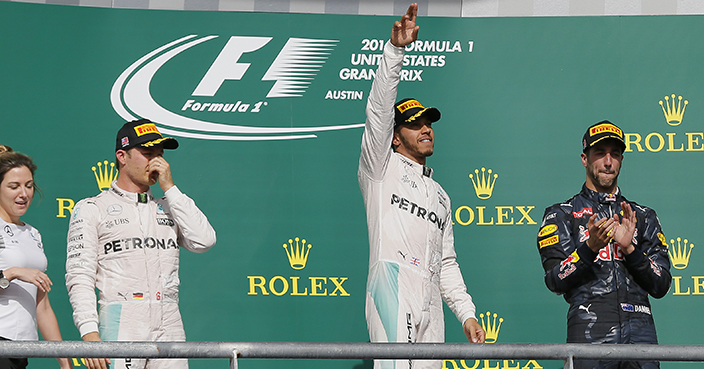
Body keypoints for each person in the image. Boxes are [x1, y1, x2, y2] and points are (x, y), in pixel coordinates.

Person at [358, 4, 485, 369]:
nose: (426, 128)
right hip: (392, 282)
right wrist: (395, 52)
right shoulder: (379, 168)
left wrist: (467, 314)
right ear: (395, 138)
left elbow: (446, 262)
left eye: (428, 122)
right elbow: (379, 112)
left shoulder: (440, 195)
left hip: (430, 293)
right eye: (414, 124)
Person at [65, 119, 217, 369]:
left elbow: (204, 240)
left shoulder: (169, 206)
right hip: (122, 320)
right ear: (122, 156)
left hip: (169, 321)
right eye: (147, 154)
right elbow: (79, 275)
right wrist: (89, 333)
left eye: (160, 155)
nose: (157, 162)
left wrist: (170, 187)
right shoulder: (92, 208)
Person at [537, 120, 671, 369]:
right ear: (584, 159)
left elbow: (661, 284)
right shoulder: (561, 215)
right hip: (589, 336)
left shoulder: (643, 217)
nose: (608, 162)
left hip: (641, 337)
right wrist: (590, 248)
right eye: (600, 153)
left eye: (615, 154)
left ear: (621, 160)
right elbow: (554, 280)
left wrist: (631, 250)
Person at [0, 145, 72, 369]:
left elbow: (43, 307)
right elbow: (13, 275)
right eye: (14, 186)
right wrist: (11, 273)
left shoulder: (33, 233)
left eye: (29, 186)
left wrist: (65, 362)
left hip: (22, 350)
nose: (24, 194)